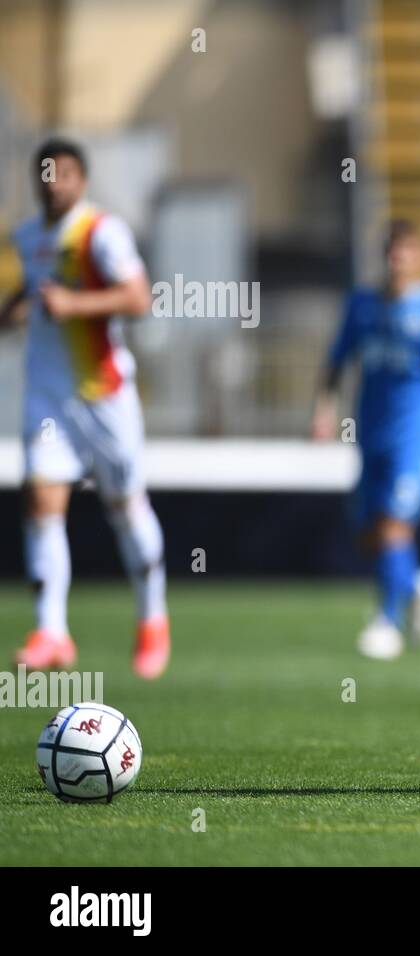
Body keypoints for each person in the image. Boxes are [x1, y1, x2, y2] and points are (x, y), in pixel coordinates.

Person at [2, 138, 169, 679]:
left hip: (105, 395)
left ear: (82, 180)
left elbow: (139, 299)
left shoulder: (103, 232)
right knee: (41, 503)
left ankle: (152, 620)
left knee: (125, 509)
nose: (54, 182)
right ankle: (52, 631)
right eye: (46, 173)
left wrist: (73, 305)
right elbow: (31, 293)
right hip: (49, 397)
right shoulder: (27, 236)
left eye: (65, 173)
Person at [313, 220, 420, 659]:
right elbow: (337, 361)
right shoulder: (362, 305)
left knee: (393, 524)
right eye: (392, 250)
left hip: (414, 433)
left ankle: (386, 621)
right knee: (369, 533)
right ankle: (416, 583)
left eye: (407, 250)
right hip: (369, 429)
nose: (398, 259)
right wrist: (323, 409)